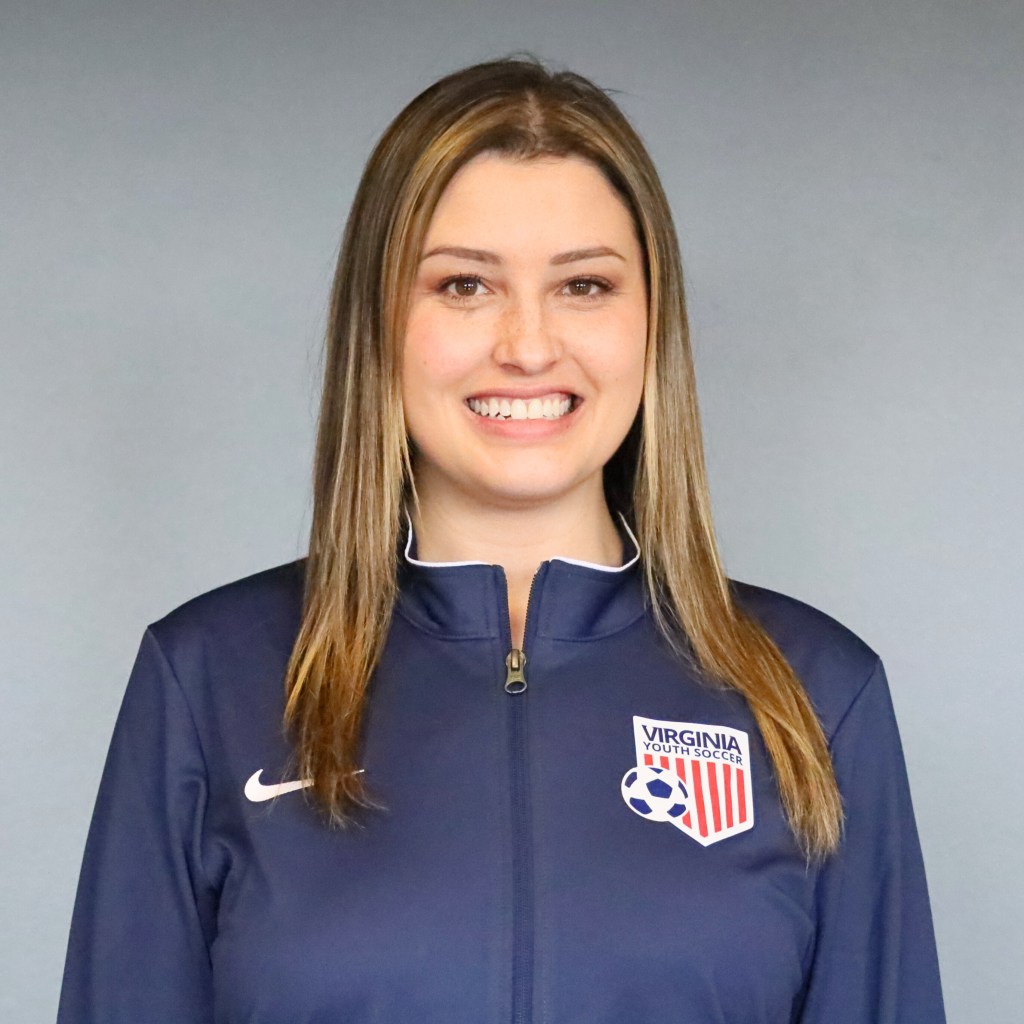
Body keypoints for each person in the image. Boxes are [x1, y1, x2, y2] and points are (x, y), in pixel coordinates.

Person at [57, 57, 945, 1023]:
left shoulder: (815, 694)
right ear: (380, 322)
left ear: (652, 324)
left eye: (584, 285)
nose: (527, 346)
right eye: (465, 285)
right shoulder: (208, 680)